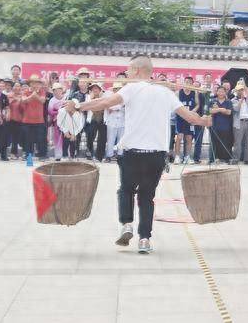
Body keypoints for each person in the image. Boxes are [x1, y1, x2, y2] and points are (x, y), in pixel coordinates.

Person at [77, 55, 209, 254]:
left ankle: (127, 224)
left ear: (137, 71)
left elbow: (104, 103)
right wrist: (204, 121)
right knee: (147, 197)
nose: (127, 74)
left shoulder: (131, 88)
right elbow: (190, 117)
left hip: (132, 153)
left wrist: (79, 106)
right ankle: (145, 239)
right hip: (156, 155)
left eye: (129, 70)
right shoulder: (165, 92)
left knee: (126, 190)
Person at [175, 77, 198, 164]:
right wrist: (183, 112)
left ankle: (187, 157)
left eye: (189, 82)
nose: (187, 83)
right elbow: (175, 105)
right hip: (181, 117)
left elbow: (198, 104)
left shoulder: (194, 92)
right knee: (179, 137)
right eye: (186, 82)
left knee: (189, 138)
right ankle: (177, 156)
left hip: (190, 117)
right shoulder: (178, 93)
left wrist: (192, 112)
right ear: (184, 83)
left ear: (192, 84)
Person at [208, 86, 234, 161]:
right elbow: (210, 111)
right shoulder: (213, 101)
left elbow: (229, 112)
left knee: (226, 142)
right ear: (217, 92)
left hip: (225, 126)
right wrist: (221, 109)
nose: (221, 93)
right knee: (213, 143)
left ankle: (226, 158)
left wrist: (218, 109)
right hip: (214, 125)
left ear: (225, 92)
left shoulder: (228, 101)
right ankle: (212, 159)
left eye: (223, 91)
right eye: (219, 91)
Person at [232, 86, 248, 164]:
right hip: (239, 122)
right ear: (236, 91)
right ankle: (236, 159)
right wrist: (241, 100)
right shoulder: (233, 100)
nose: (241, 92)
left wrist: (247, 97)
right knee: (238, 142)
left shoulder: (247, 99)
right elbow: (236, 109)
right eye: (239, 90)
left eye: (242, 90)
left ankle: (247, 159)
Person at [105, 81, 126, 160]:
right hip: (111, 121)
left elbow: (126, 109)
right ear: (113, 90)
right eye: (116, 89)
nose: (117, 90)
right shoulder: (110, 98)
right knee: (110, 139)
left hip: (122, 121)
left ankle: (120, 154)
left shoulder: (125, 98)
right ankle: (109, 155)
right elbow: (109, 108)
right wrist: (119, 107)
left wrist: (118, 108)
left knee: (121, 139)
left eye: (119, 89)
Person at [47, 83, 68, 160]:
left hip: (66, 122)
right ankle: (58, 156)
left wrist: (60, 111)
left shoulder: (66, 98)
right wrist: (60, 111)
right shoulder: (52, 100)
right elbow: (50, 112)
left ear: (61, 90)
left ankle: (66, 155)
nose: (56, 92)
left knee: (66, 138)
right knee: (57, 139)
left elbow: (69, 109)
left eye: (58, 90)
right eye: (54, 90)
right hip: (56, 122)